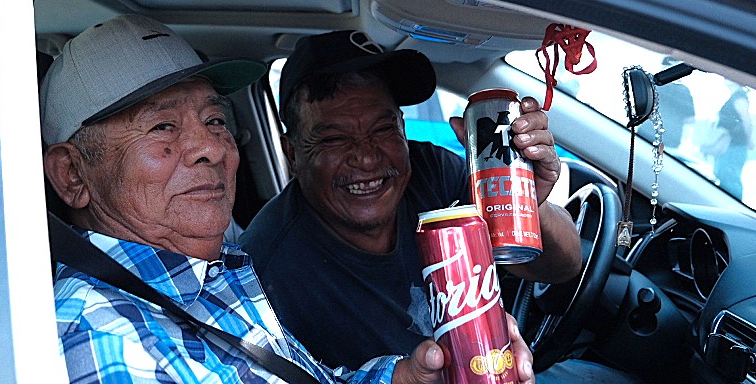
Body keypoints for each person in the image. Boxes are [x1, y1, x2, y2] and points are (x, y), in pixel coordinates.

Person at [40, 15, 536, 383]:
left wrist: (406, 378)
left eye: (215, 121)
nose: (213, 148)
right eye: (163, 127)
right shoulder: (106, 342)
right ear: (72, 175)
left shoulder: (216, 274)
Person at [240, 30, 642, 383]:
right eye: (333, 139)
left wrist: (527, 203)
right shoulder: (264, 268)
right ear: (292, 153)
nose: (366, 157)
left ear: (402, 127)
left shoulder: (430, 171)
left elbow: (562, 267)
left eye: (383, 129)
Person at [713, 84, 753, 200]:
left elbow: (747, 121)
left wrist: (749, 140)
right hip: (730, 145)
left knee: (730, 179)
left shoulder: (739, 97)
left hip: (734, 146)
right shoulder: (735, 97)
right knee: (724, 177)